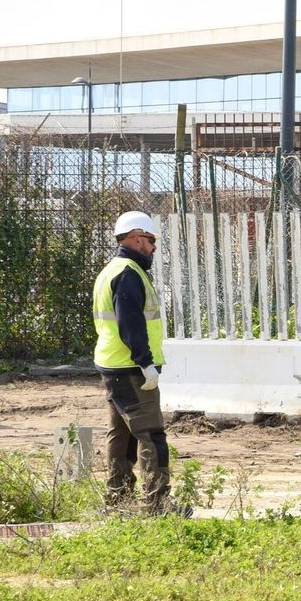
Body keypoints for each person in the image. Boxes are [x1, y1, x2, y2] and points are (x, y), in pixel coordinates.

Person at [92, 211, 171, 513]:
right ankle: (157, 504)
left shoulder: (111, 270)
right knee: (151, 434)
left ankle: (118, 500)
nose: (153, 247)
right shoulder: (128, 273)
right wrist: (145, 363)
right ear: (137, 238)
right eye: (150, 240)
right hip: (131, 368)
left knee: (121, 436)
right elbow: (131, 325)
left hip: (114, 365)